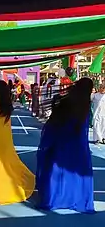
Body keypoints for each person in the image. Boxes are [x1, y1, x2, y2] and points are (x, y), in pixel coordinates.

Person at [36, 77, 95, 213]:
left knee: (58, 170)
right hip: (78, 145)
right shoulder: (85, 105)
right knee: (76, 172)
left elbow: (53, 121)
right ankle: (73, 198)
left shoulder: (66, 102)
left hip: (61, 141)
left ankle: (55, 198)